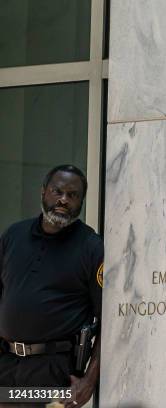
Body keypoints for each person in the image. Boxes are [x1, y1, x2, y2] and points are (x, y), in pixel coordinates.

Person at [0, 165, 103, 408]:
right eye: (57, 191)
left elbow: (109, 321)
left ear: (81, 202)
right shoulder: (13, 236)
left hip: (53, 373)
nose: (63, 200)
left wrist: (89, 380)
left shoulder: (92, 248)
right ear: (43, 192)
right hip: (6, 367)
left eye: (73, 195)